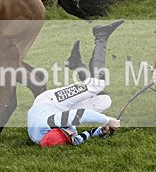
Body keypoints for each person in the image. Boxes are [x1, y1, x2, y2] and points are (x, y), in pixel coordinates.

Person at [27, 20, 124, 148]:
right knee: (104, 101)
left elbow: (82, 114)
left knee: (97, 84)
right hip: (53, 112)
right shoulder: (49, 140)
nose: (73, 134)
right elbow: (76, 139)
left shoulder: (50, 123)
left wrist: (108, 120)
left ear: (58, 129)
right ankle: (76, 64)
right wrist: (100, 131)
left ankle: (101, 36)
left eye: (69, 134)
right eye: (70, 137)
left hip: (49, 101)